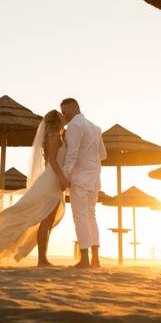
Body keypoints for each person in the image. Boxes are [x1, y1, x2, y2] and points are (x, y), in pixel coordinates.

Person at [0, 110, 70, 266]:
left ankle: (43, 258)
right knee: (45, 220)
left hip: (53, 180)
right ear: (56, 120)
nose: (65, 117)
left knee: (48, 221)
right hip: (52, 181)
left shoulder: (61, 135)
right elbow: (52, 160)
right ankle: (42, 260)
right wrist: (62, 177)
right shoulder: (54, 135)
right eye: (61, 115)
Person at [59, 97, 107, 269]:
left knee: (80, 217)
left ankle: (84, 259)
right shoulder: (95, 128)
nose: (64, 115)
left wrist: (64, 176)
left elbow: (72, 154)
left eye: (65, 111)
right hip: (94, 179)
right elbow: (103, 155)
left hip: (79, 179)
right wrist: (90, 161)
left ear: (74, 107)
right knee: (91, 216)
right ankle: (95, 259)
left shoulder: (74, 126)